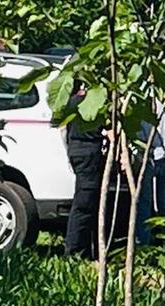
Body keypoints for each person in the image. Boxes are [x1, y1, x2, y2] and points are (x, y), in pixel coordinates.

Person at [64, 83, 108, 259]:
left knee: (85, 203)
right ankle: (74, 251)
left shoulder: (71, 102)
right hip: (89, 153)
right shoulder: (96, 103)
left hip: (76, 151)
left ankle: (84, 250)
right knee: (84, 205)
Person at [135, 98, 165, 246]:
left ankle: (143, 243)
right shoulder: (155, 103)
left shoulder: (141, 105)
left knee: (145, 203)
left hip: (155, 156)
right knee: (164, 204)